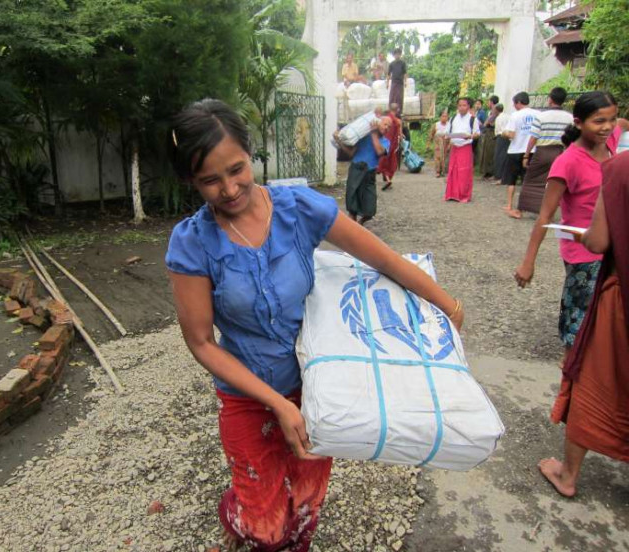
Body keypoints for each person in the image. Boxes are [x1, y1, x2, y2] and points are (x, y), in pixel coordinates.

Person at [165, 98, 465, 552]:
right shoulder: (191, 243)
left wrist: (448, 305)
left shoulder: (296, 209)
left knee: (306, 502)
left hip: (318, 385)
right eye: (210, 180)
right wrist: (277, 405)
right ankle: (237, 512)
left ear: (250, 154)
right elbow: (202, 343)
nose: (228, 189)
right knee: (266, 528)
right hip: (246, 397)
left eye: (236, 169)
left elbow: (379, 256)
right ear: (191, 180)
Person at [538, 150, 629, 497]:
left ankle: (568, 474)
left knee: (591, 379)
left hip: (620, 301)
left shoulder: (619, 169)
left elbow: (599, 241)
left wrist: (581, 236)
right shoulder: (574, 160)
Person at [514, 91, 627, 357]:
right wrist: (528, 262)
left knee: (609, 318)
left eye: (610, 119)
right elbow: (545, 217)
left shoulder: (609, 142)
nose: (607, 126)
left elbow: (621, 124)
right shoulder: (567, 163)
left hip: (613, 247)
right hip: (583, 253)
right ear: (578, 123)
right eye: (599, 121)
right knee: (579, 322)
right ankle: (572, 372)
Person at [516, 87, 573, 215]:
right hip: (561, 152)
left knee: (531, 179)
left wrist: (526, 155)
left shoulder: (542, 116)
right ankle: (548, 211)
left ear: (550, 99)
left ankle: (520, 210)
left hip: (542, 151)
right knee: (554, 182)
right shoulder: (570, 118)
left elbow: (533, 138)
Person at [335, 116, 392, 224]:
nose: (387, 128)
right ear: (379, 123)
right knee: (352, 205)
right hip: (356, 169)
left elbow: (379, 152)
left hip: (369, 173)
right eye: (385, 124)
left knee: (370, 209)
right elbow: (350, 153)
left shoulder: (386, 142)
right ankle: (353, 230)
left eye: (389, 127)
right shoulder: (363, 137)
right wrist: (339, 141)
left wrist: (374, 134)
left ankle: (360, 223)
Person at [502, 92, 540, 218]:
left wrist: (504, 133)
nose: (514, 106)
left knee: (511, 179)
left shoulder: (515, 116)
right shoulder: (538, 115)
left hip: (515, 150)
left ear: (518, 102)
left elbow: (511, 135)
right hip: (532, 151)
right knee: (527, 180)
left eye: (514, 103)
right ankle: (526, 207)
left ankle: (509, 204)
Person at [444, 97, 480, 203]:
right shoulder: (454, 118)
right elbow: (448, 131)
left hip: (465, 146)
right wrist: (447, 137)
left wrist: (470, 136)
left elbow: (477, 134)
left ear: (469, 106)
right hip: (455, 146)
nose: (461, 108)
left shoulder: (472, 119)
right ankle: (452, 193)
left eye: (464, 105)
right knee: (453, 170)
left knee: (464, 171)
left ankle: (464, 195)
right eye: (459, 105)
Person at [376, 103, 402, 190]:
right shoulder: (397, 121)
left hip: (384, 143)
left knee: (383, 162)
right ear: (397, 110)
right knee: (390, 163)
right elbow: (400, 135)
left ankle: (387, 179)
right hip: (393, 145)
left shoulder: (384, 120)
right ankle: (388, 179)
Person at [477, 95, 499, 179]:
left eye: (488, 101)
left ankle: (489, 172)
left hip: (491, 132)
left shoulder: (494, 110)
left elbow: (488, 122)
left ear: (492, 102)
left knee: (489, 153)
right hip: (489, 132)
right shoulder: (491, 111)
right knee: (486, 152)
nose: (487, 103)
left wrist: (485, 124)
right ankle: (486, 171)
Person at [429, 110, 449, 177]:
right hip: (437, 143)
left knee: (444, 157)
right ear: (440, 117)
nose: (444, 118)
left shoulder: (449, 125)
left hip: (446, 142)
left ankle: (443, 171)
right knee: (438, 157)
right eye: (443, 116)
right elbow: (431, 134)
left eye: (446, 116)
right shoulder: (436, 125)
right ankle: (437, 171)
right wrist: (428, 144)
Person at [492, 104, 509, 183]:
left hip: (501, 136)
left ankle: (499, 176)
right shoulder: (507, 116)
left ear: (496, 110)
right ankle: (503, 176)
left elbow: (498, 129)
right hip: (507, 137)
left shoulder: (498, 118)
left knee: (499, 157)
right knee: (504, 156)